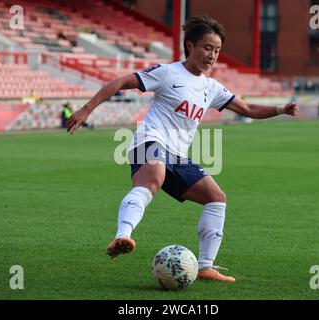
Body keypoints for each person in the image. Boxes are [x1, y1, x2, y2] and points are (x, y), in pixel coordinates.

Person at [67, 15, 299, 283]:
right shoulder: (167, 73)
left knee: (216, 197)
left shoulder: (211, 88)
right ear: (190, 46)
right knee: (153, 179)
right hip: (150, 141)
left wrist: (281, 109)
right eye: (207, 48)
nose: (212, 55)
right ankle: (123, 235)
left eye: (217, 50)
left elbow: (248, 109)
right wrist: (86, 109)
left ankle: (205, 267)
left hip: (177, 154)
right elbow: (118, 83)